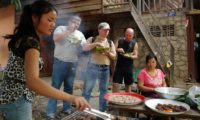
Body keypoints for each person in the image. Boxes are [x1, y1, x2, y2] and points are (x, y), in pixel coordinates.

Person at [0, 1, 90, 120]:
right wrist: (72, 98)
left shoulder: (24, 37)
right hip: (17, 99)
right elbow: (32, 82)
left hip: (8, 94)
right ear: (34, 18)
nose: (53, 24)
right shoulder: (31, 42)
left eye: (54, 21)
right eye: (49, 20)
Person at [46, 15, 87, 118]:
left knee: (69, 87)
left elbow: (84, 48)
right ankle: (50, 112)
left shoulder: (80, 34)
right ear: (69, 21)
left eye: (78, 23)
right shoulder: (61, 29)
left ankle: (66, 108)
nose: (76, 24)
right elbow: (56, 39)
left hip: (72, 63)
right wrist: (69, 30)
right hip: (60, 62)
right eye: (74, 22)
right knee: (55, 86)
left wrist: (82, 47)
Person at [82, 22, 116, 112]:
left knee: (104, 91)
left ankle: (102, 111)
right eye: (105, 30)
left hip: (105, 69)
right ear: (99, 30)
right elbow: (84, 48)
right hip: (92, 67)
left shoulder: (110, 42)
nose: (107, 32)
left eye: (108, 30)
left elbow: (114, 56)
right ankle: (84, 110)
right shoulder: (92, 39)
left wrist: (107, 53)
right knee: (87, 89)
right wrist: (96, 44)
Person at [112, 28, 138, 92]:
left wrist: (130, 56)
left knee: (128, 85)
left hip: (129, 67)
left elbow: (136, 56)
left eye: (130, 35)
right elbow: (112, 49)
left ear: (133, 35)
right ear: (125, 34)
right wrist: (118, 49)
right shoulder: (120, 40)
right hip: (119, 66)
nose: (128, 37)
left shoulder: (134, 43)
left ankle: (127, 99)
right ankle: (114, 99)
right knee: (115, 84)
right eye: (127, 35)